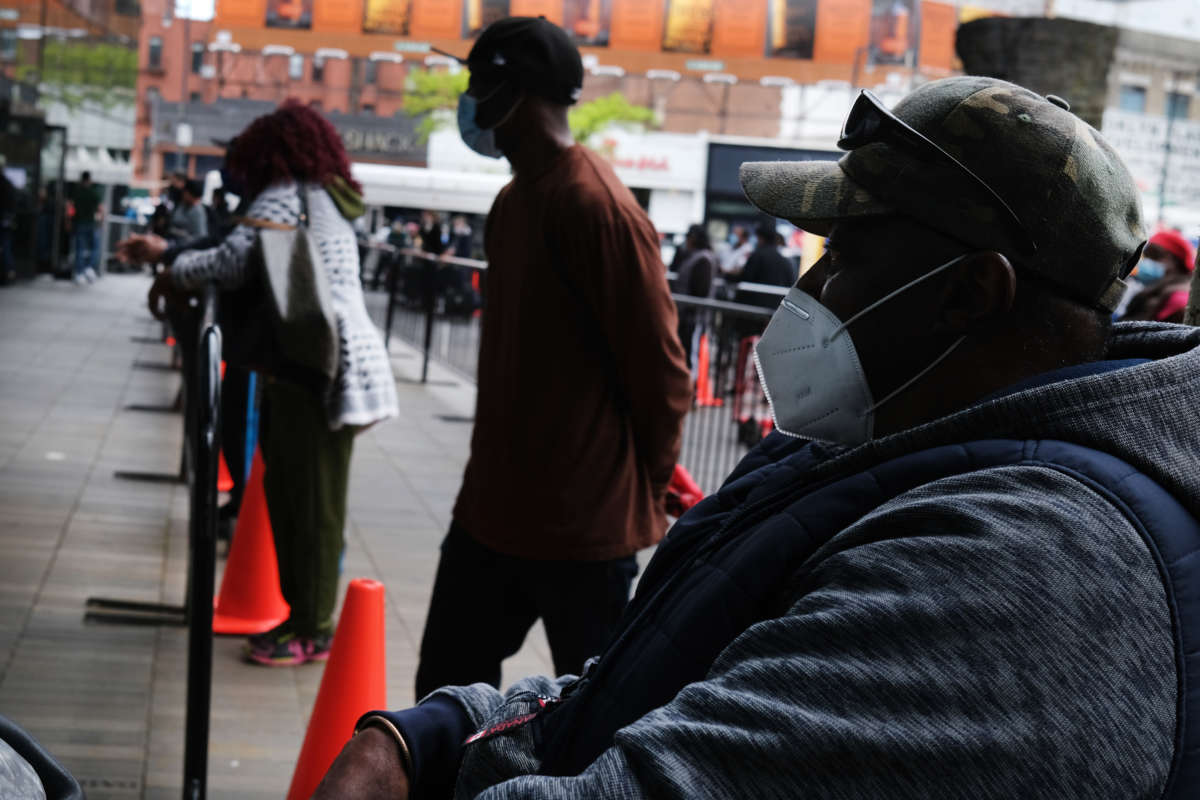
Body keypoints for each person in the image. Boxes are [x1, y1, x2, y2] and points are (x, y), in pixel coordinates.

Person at [315, 76, 1200, 799]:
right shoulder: (873, 441)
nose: (812, 287)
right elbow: (650, 684)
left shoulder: (1031, 568)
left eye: (846, 256)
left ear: (970, 294)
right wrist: (433, 737)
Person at [412, 17, 691, 700]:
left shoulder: (595, 205)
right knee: (443, 699)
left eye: (479, 82)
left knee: (596, 728)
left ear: (520, 92)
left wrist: (645, 492)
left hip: (583, 532)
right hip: (490, 513)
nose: (470, 100)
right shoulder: (512, 204)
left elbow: (661, 373)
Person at [124, 101, 399, 665]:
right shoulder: (322, 197)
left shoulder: (286, 194)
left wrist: (171, 265)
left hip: (314, 372)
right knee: (304, 501)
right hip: (326, 367)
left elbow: (232, 259)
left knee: (311, 507)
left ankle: (312, 627)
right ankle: (307, 619)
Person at [1121, 228, 1195, 323]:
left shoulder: (1179, 301)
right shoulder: (1159, 289)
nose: (1148, 261)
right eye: (1147, 256)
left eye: (1155, 256)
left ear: (1175, 261)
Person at [669, 223, 717, 367]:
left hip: (692, 319)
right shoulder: (695, 256)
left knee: (690, 356)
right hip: (687, 317)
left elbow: (700, 291)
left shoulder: (703, 259)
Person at [732, 219, 796, 311]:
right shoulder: (784, 260)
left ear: (760, 238)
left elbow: (745, 278)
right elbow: (790, 283)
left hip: (753, 309)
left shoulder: (757, 255)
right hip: (775, 310)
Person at [69, 171, 101, 285]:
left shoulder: (77, 192)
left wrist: (68, 221)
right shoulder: (93, 193)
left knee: (80, 249)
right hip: (91, 223)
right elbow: (100, 209)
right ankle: (89, 268)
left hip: (79, 223)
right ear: (89, 180)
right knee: (94, 248)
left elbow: (70, 208)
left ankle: (79, 273)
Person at [168, 178, 208, 243]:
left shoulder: (197, 211)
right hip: (173, 242)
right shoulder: (182, 205)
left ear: (189, 193)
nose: (183, 194)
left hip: (186, 248)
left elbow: (200, 237)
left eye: (185, 192)